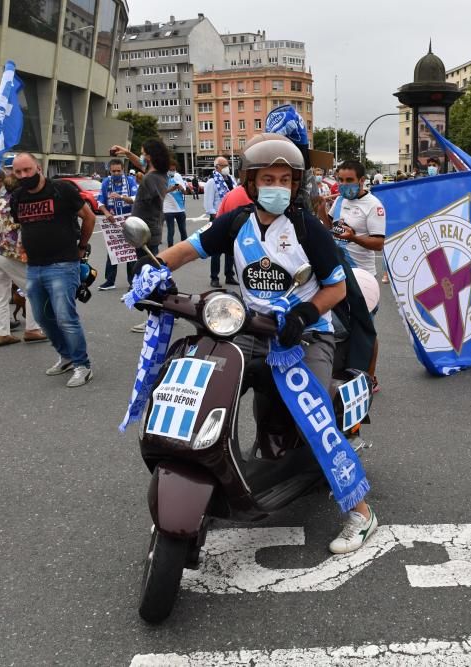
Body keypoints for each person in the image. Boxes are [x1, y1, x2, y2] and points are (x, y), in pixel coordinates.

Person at [150, 133, 379, 553]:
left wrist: (305, 315)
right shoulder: (236, 223)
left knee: (313, 414)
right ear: (251, 182)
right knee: (205, 384)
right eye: (267, 178)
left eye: (285, 179)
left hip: (306, 334)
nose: (276, 186)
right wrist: (147, 270)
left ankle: (361, 513)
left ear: (295, 185)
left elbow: (337, 289)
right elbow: (186, 250)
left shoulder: (308, 228)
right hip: (249, 329)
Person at [9, 152, 96, 387]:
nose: (23, 175)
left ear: (38, 167)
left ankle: (82, 365)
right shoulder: (17, 197)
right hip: (34, 267)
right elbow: (22, 227)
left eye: (27, 170)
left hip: (63, 264)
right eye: (18, 172)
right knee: (41, 317)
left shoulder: (61, 190)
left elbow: (88, 217)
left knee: (65, 317)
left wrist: (82, 247)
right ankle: (66, 356)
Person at [317, 159, 386, 388]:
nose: (344, 185)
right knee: (339, 326)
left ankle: (370, 377)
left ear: (362, 181)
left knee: (366, 329)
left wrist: (354, 238)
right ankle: (343, 370)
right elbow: (330, 229)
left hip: (363, 276)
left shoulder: (373, 205)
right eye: (341, 180)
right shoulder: (340, 200)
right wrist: (321, 210)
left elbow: (379, 243)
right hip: (341, 273)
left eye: (349, 181)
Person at [110, 140, 171, 333]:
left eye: (143, 152)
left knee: (149, 276)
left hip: (144, 233)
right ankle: (167, 309)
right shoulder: (158, 174)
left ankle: (154, 316)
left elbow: (143, 200)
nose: (141, 156)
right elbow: (141, 164)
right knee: (155, 272)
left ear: (150, 156)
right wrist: (127, 152)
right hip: (149, 230)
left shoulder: (150, 180)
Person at [0, 169, 47, 346]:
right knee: (32, 289)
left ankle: (3, 333)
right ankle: (32, 329)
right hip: (11, 252)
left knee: (2, 294)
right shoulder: (20, 202)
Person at [97, 158, 138, 290]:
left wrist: (120, 197)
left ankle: (132, 282)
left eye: (118, 171)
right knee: (113, 251)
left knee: (130, 252)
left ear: (123, 170)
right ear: (110, 170)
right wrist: (106, 213)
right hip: (113, 222)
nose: (116, 173)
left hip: (128, 221)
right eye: (113, 171)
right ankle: (109, 281)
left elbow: (134, 199)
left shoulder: (130, 181)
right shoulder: (105, 182)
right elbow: (100, 202)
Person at [203, 156, 238, 288]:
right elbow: (208, 203)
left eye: (227, 164)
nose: (226, 167)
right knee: (216, 250)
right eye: (223, 165)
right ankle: (214, 277)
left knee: (230, 249)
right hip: (217, 217)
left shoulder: (231, 179)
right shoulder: (212, 182)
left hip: (232, 217)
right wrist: (215, 217)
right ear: (217, 167)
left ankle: (229, 275)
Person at [163, 160, 188, 248]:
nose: (172, 171)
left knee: (183, 230)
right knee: (171, 231)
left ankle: (185, 249)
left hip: (180, 208)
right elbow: (160, 192)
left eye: (174, 169)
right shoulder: (162, 177)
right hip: (168, 209)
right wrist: (171, 189)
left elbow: (185, 192)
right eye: (170, 169)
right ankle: (170, 249)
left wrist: (181, 188)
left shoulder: (178, 176)